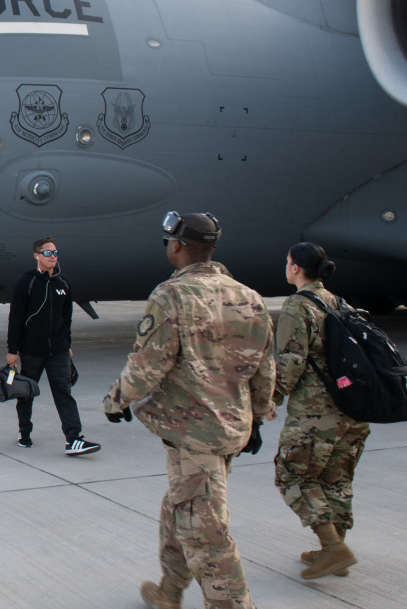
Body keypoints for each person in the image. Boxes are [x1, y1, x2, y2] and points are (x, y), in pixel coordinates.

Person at [103, 212, 275, 609]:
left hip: (194, 433)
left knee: (204, 533)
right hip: (231, 428)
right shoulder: (249, 296)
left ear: (177, 245)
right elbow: (264, 367)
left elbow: (150, 362)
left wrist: (117, 399)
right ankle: (170, 591)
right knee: (180, 509)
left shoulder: (173, 295)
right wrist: (257, 417)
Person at [265, 243, 366, 579]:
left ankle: (334, 549)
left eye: (287, 261)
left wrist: (271, 399)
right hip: (352, 408)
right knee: (336, 480)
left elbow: (291, 362)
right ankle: (334, 553)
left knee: (292, 474)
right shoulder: (339, 301)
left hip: (316, 412)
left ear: (295, 267)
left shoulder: (298, 306)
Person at [6, 237, 100, 456]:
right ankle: (24, 432)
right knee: (26, 394)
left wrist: (67, 344)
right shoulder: (26, 282)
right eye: (48, 253)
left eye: (55, 253)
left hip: (58, 351)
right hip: (32, 351)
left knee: (64, 393)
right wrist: (12, 350)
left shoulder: (63, 283)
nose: (53, 257)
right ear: (36, 256)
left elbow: (66, 318)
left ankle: (73, 439)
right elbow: (15, 318)